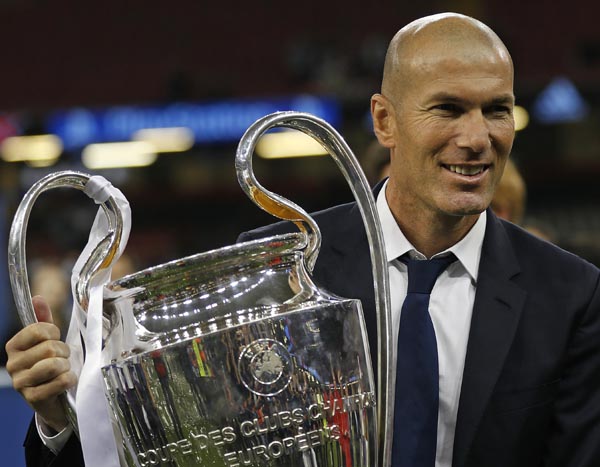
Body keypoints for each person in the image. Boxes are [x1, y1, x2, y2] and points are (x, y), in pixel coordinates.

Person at [4, 12, 600, 467]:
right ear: (384, 120)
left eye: (498, 110)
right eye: (448, 109)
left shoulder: (570, 296)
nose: (477, 137)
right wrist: (59, 422)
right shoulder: (278, 270)